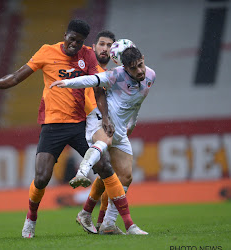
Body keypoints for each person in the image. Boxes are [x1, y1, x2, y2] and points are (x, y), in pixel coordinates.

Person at [0, 20, 140, 238]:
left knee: (105, 166)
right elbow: (17, 76)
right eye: (72, 39)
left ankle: (125, 224)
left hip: (79, 125)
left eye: (79, 42)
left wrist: (106, 118)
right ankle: (31, 217)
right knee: (42, 177)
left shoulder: (87, 56)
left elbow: (99, 88)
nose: (74, 45)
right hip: (52, 126)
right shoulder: (46, 52)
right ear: (65, 35)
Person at [51, 45, 156, 235]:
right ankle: (82, 172)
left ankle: (107, 223)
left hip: (121, 130)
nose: (139, 70)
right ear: (125, 68)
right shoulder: (117, 75)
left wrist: (132, 124)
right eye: (134, 68)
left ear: (143, 58)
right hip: (102, 122)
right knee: (104, 145)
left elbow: (137, 104)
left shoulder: (151, 76)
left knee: (124, 176)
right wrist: (66, 83)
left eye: (141, 64)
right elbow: (93, 80)